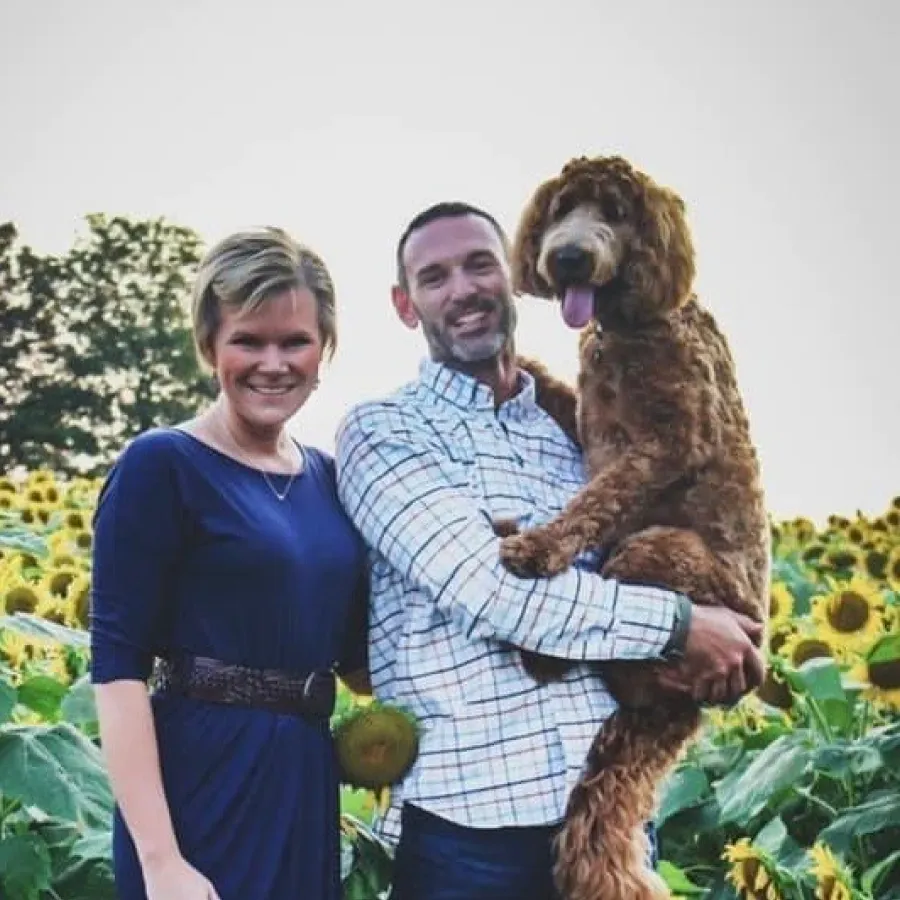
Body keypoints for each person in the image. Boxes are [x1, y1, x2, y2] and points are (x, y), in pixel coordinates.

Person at [334, 202, 765, 900]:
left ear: (514, 274)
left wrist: (723, 627)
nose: (464, 289)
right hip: (468, 833)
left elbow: (666, 523)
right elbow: (492, 592)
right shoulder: (384, 433)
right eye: (434, 276)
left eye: (480, 264)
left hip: (607, 819)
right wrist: (683, 630)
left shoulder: (574, 425)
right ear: (405, 306)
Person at [90, 227, 368, 900]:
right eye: (248, 340)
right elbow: (117, 670)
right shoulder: (163, 464)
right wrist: (161, 862)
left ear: (323, 348)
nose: (273, 363)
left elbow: (363, 661)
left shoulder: (334, 479)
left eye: (295, 341)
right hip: (200, 783)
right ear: (210, 346)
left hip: (302, 780)